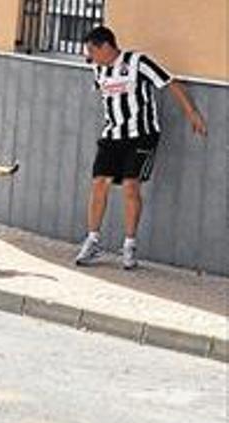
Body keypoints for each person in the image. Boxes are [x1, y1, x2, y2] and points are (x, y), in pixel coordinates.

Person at [74, 26, 207, 270]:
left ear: (106, 46)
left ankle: (129, 245)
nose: (90, 58)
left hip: (142, 135)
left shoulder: (138, 62)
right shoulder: (97, 67)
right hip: (112, 135)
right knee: (99, 183)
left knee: (130, 185)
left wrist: (193, 113)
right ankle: (92, 240)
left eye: (92, 51)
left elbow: (171, 83)